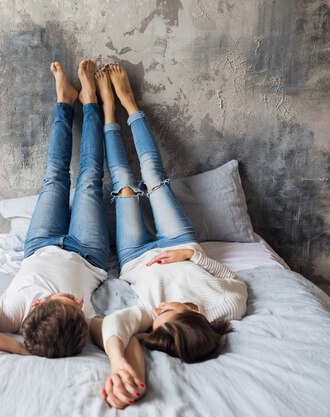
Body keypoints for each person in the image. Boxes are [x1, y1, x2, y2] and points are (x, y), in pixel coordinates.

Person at [89, 64, 249, 409]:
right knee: (153, 174)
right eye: (167, 310)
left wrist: (117, 362)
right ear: (193, 314)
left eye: (157, 313)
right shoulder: (226, 306)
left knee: (123, 183)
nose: (159, 308)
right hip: (180, 243)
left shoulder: (157, 319)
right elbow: (234, 279)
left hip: (134, 256)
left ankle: (108, 115)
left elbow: (115, 324)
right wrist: (192, 257)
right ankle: (131, 105)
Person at [0, 59, 112, 358]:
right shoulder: (80, 320)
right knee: (90, 179)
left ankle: (64, 101)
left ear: (36, 306)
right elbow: (115, 338)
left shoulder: (12, 312)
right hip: (88, 253)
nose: (78, 302)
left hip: (40, 244)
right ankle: (90, 103)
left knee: (55, 177)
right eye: (79, 305)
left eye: (69, 300)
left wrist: (16, 347)